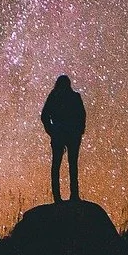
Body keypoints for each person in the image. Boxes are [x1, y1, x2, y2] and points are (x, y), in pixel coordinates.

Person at [40, 74, 86, 202]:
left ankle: (59, 198)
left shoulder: (54, 97)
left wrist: (52, 131)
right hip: (68, 134)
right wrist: (78, 131)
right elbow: (81, 116)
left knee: (57, 166)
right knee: (71, 165)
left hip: (62, 133)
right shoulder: (73, 97)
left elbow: (44, 116)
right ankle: (73, 196)